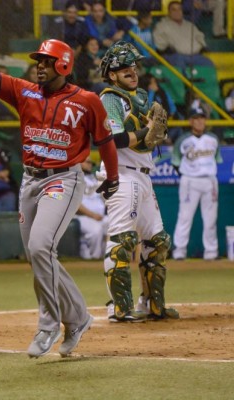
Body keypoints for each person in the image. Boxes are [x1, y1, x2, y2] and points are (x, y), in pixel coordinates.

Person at [0, 22, 120, 357]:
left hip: (64, 178)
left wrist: (112, 178)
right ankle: (78, 317)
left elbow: (105, 142)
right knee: (38, 254)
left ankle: (48, 324)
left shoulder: (87, 101)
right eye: (38, 61)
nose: (39, 66)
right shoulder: (24, 91)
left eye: (45, 61)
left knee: (41, 245)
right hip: (30, 180)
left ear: (63, 65)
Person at [98, 41, 179, 323]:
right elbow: (115, 139)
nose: (132, 71)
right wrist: (147, 131)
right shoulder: (110, 98)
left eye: (134, 66)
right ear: (112, 74)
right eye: (124, 67)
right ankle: (118, 308)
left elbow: (149, 139)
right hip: (122, 172)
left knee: (157, 241)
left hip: (144, 174)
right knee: (123, 241)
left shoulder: (142, 96)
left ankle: (152, 304)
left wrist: (154, 133)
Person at [171, 105, 222, 261]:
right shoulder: (183, 140)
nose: (199, 122)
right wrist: (188, 174)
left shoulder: (213, 139)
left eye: (202, 118)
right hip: (190, 180)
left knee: (211, 218)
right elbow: (175, 162)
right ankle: (179, 251)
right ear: (190, 121)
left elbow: (217, 159)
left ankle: (211, 252)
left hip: (210, 179)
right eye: (196, 119)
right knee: (185, 216)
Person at [153, 1, 213, 70]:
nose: (177, 12)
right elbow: (160, 46)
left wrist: (202, 47)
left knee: (208, 63)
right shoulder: (162, 26)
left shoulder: (189, 25)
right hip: (175, 56)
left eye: (179, 9)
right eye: (174, 10)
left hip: (194, 56)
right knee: (179, 61)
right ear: (169, 12)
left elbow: (200, 38)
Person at [75, 157, 107, 259]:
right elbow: (75, 204)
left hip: (100, 217)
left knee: (115, 226)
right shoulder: (75, 178)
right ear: (79, 163)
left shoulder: (93, 178)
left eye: (91, 163)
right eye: (87, 162)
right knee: (96, 231)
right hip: (82, 217)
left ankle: (109, 259)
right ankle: (94, 260)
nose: (90, 165)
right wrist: (93, 215)